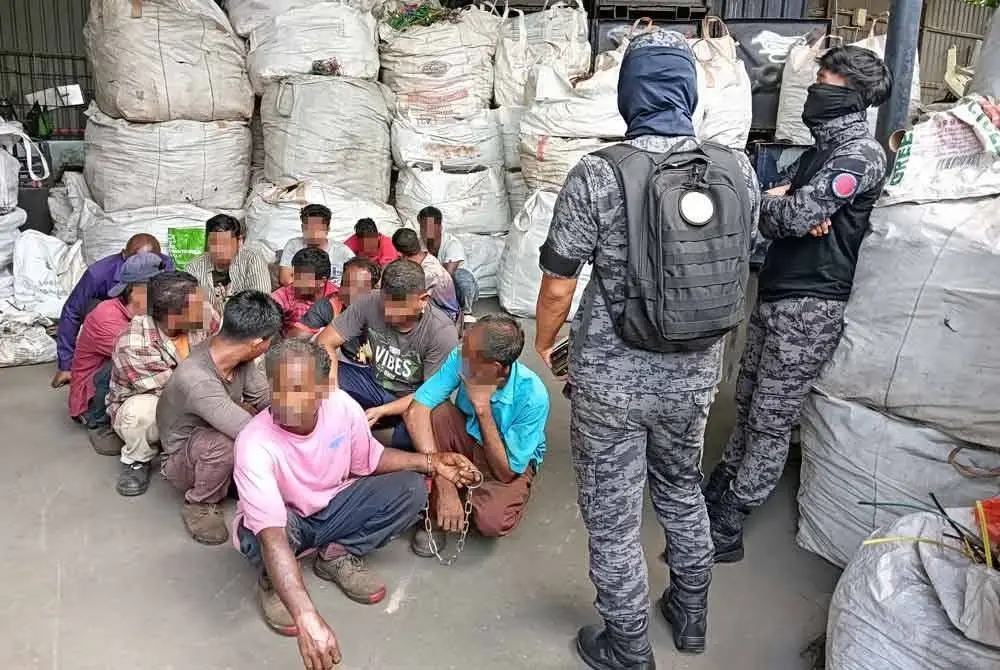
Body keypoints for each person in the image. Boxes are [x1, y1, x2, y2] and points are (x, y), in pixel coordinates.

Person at [534, 29, 760, 665]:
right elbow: (741, 256)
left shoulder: (600, 173)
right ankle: (691, 616)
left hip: (611, 381)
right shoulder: (736, 166)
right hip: (694, 377)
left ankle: (628, 647)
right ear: (687, 90)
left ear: (629, 91)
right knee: (681, 488)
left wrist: (547, 346)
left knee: (613, 512)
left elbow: (558, 286)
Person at [704, 45, 891, 565]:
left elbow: (784, 218)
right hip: (778, 293)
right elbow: (773, 210)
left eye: (825, 78)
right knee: (746, 399)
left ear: (850, 92)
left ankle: (731, 520)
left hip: (813, 305)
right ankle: (721, 485)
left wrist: (787, 204)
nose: (815, 88)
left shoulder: (859, 156)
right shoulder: (817, 153)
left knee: (770, 415)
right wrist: (782, 201)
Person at [232, 338, 479, 669]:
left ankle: (337, 553)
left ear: (322, 390)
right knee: (257, 530)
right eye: (278, 387)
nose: (285, 400)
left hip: (334, 504)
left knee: (410, 489)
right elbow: (273, 537)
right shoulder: (253, 444)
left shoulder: (342, 407)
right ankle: (272, 583)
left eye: (298, 389)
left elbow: (370, 460)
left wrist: (431, 462)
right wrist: (306, 616)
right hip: (285, 524)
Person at [404, 315, 549, 555]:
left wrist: (482, 409)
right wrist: (442, 479)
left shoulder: (534, 396)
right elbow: (416, 411)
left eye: (468, 351)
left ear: (493, 368)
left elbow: (505, 472)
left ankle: (452, 496)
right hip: (467, 438)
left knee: (492, 521)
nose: (461, 352)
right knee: (437, 412)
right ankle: (448, 489)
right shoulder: (461, 358)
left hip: (504, 459)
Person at [158, 291, 281, 544]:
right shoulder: (197, 379)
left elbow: (263, 398)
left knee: (263, 417)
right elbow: (246, 430)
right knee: (228, 442)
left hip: (216, 434)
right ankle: (200, 502)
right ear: (258, 342)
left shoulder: (238, 356)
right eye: (270, 342)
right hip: (184, 459)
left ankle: (229, 480)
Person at [310, 259, 458, 450]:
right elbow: (325, 341)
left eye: (398, 307)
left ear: (423, 299)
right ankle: (342, 432)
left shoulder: (442, 332)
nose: (389, 313)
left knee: (424, 428)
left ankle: (365, 438)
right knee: (313, 372)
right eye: (385, 304)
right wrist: (332, 391)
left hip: (413, 398)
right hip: (373, 382)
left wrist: (382, 411)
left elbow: (429, 394)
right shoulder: (369, 301)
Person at [107, 271, 214, 497]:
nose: (205, 306)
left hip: (201, 389)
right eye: (197, 304)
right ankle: (137, 458)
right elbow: (176, 391)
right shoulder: (133, 343)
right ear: (173, 317)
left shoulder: (203, 315)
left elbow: (227, 347)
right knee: (139, 414)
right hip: (162, 399)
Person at [69, 253, 165, 455]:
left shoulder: (142, 311)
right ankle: (99, 423)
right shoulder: (107, 317)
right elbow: (144, 356)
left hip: (116, 386)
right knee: (127, 360)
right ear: (137, 290)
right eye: (158, 287)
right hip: (92, 396)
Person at [51, 234, 174, 388]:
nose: (146, 265)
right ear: (124, 256)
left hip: (138, 313)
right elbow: (72, 312)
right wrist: (65, 365)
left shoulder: (163, 265)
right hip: (110, 316)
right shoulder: (99, 273)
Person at [184, 214, 272, 315]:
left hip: (247, 324)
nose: (219, 249)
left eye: (225, 243)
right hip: (210, 326)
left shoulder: (252, 259)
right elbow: (190, 308)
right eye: (214, 243)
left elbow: (261, 303)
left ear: (239, 241)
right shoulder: (194, 267)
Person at [296, 256, 380, 360]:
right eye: (346, 284)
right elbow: (296, 339)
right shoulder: (329, 305)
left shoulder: (383, 310)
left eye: (359, 288)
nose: (351, 292)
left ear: (374, 291)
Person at [418, 206, 478, 323]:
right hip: (436, 291)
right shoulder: (419, 244)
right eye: (422, 227)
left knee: (461, 275)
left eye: (428, 227)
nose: (425, 231)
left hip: (458, 290)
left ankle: (466, 312)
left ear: (439, 227)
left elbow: (446, 276)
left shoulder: (452, 243)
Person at [390, 227, 460, 322]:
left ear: (399, 254)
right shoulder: (425, 258)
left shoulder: (427, 273)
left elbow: (406, 298)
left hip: (446, 315)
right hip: (435, 308)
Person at [278, 204, 354, 287]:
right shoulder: (293, 245)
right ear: (302, 228)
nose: (313, 234)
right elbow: (285, 280)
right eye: (309, 229)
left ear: (328, 229)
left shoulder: (342, 251)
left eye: (318, 229)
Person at [272, 247, 338, 337]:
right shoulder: (285, 294)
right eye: (295, 276)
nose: (296, 283)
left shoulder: (336, 298)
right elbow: (267, 308)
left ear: (322, 281)